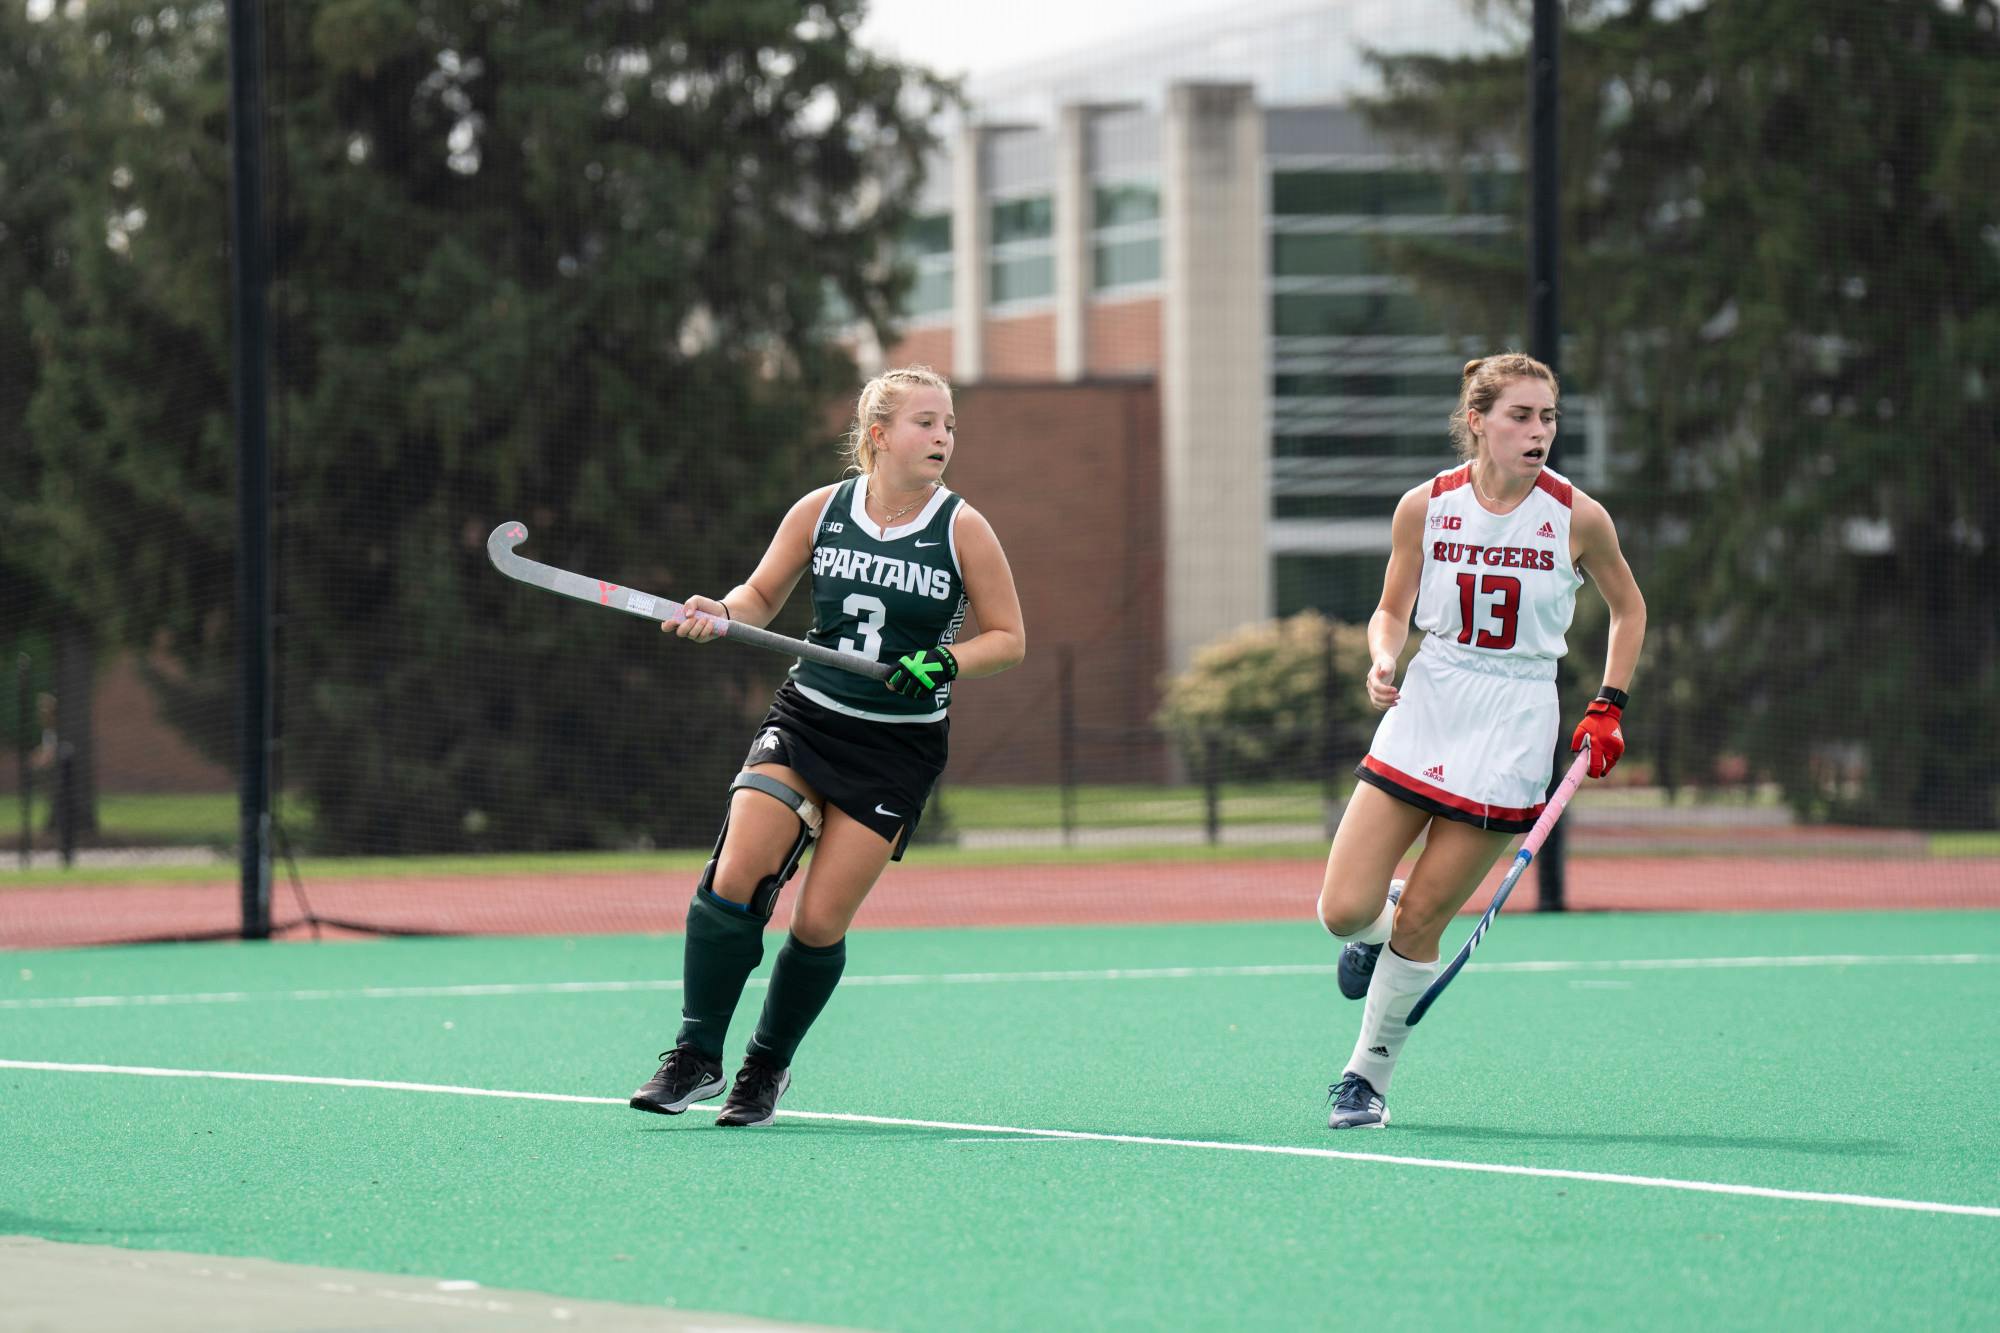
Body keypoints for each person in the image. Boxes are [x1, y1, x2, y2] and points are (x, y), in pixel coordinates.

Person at [630, 365, 1026, 1127]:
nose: (943, 436)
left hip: (897, 748)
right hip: (809, 714)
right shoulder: (822, 509)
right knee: (738, 868)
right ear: (878, 434)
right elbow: (758, 597)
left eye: (949, 425)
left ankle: (765, 1068)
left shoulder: (962, 527)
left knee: (817, 923)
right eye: (925, 422)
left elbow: (1008, 640)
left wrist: (944, 660)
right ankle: (694, 1053)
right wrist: (719, 610)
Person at [1316, 352, 1646, 1130]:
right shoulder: (1425, 505)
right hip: (1430, 699)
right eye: (1521, 416)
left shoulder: (1578, 517)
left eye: (1549, 418)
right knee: (1342, 910)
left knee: (1427, 919)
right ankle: (1380, 925)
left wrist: (1609, 704)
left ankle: (1366, 1076)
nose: (1539, 433)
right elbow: (1390, 608)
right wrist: (1384, 656)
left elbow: (1630, 610)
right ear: (1477, 421)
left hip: (1514, 719)